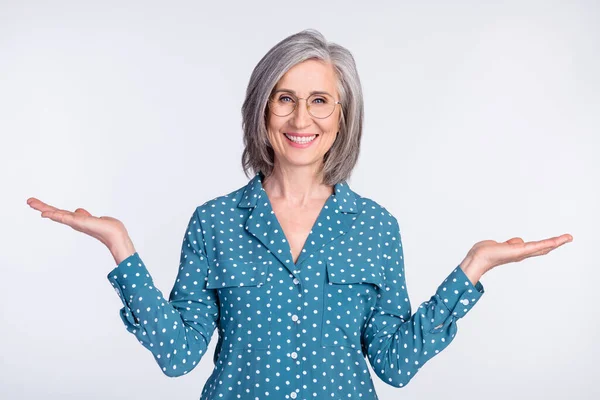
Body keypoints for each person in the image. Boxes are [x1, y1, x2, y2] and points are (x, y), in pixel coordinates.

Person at [26, 29, 573, 399]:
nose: (300, 117)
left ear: (342, 115)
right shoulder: (215, 222)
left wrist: (472, 268)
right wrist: (120, 246)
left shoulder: (376, 227)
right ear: (262, 108)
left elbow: (394, 363)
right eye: (284, 98)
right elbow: (178, 355)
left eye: (319, 100)